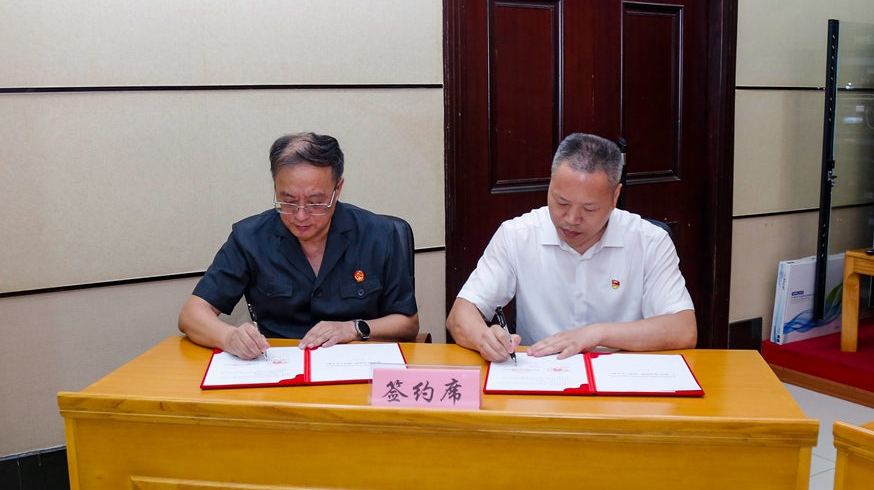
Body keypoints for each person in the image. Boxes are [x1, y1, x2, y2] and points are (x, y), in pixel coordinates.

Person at [446, 133, 696, 362]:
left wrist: (595, 334)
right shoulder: (517, 235)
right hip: (540, 374)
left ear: (615, 196)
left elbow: (684, 329)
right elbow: (460, 315)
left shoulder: (649, 241)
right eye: (561, 202)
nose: (572, 219)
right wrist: (484, 339)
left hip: (620, 377)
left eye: (589, 208)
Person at [179, 132, 419, 359]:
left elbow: (408, 324)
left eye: (316, 203)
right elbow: (191, 314)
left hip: (354, 364)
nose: (301, 216)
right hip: (277, 367)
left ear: (337, 190)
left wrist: (353, 329)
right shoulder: (249, 237)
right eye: (289, 201)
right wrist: (229, 337)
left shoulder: (378, 234)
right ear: (275, 188)